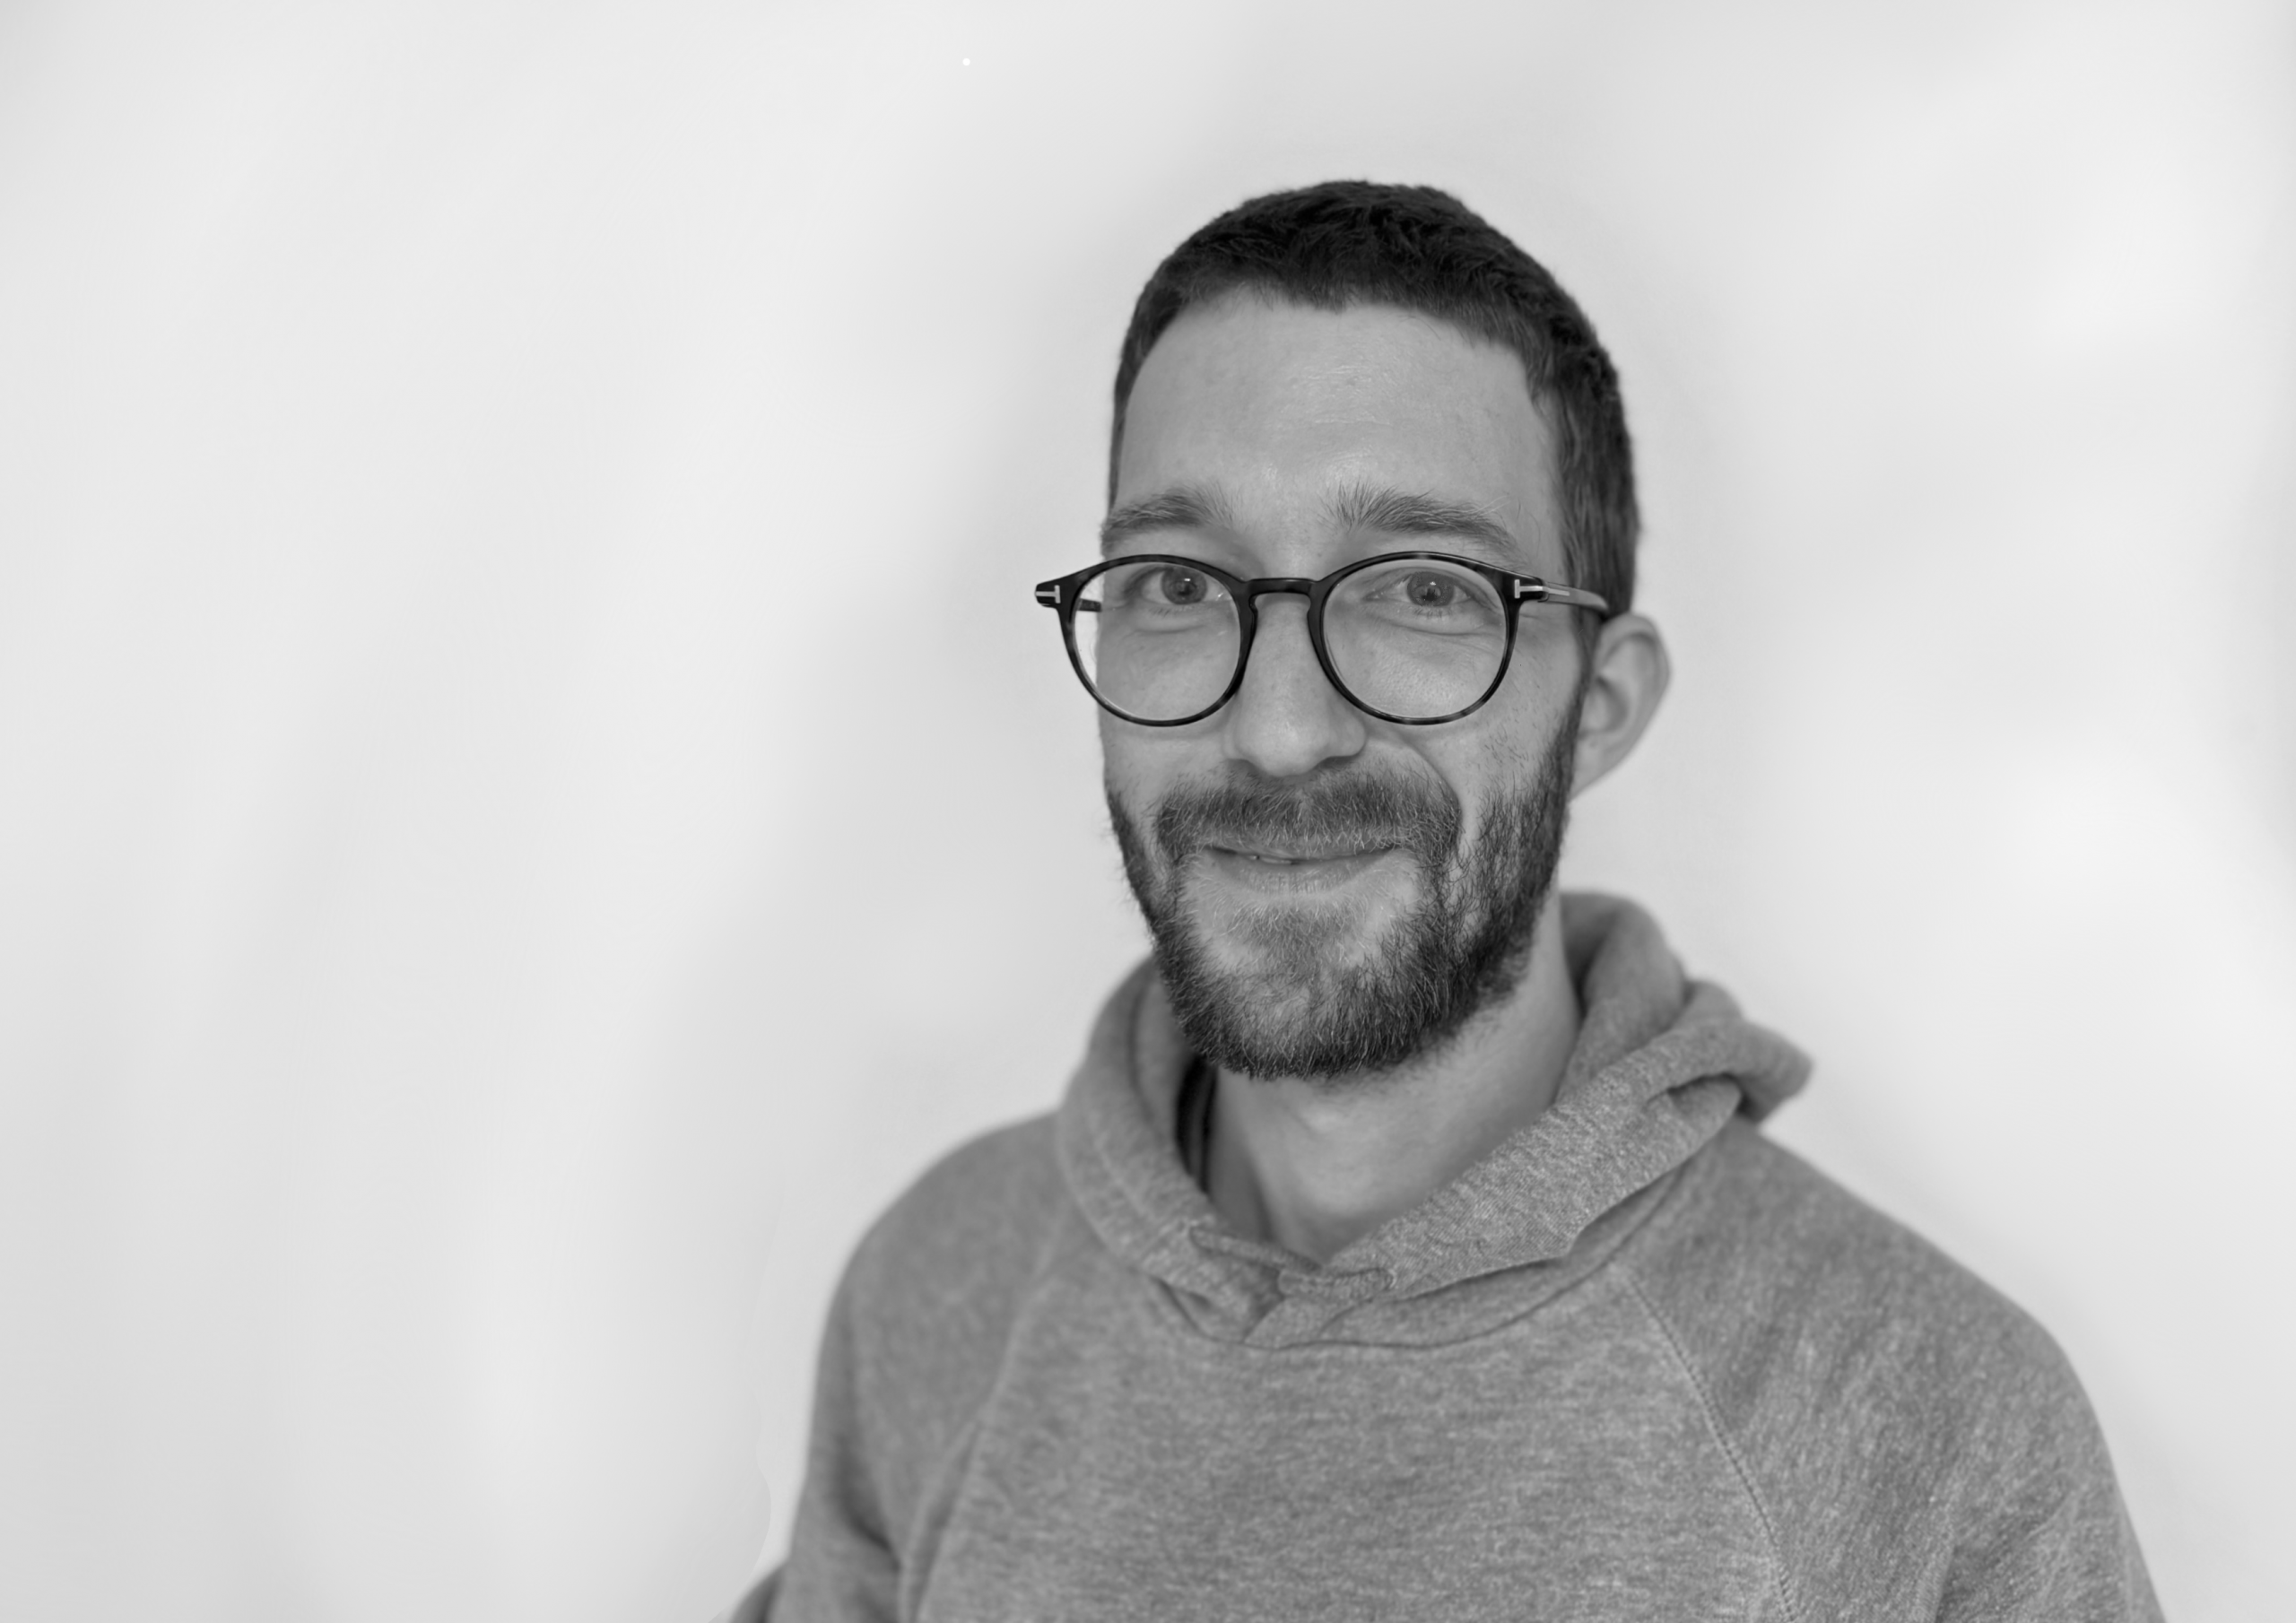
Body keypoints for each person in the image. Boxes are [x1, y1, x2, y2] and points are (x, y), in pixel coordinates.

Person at [732, 181, 2160, 1621]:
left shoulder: (1936, 1436)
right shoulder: (937, 1286)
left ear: (1600, 705)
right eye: (1177, 582)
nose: (1279, 729)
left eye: (1419, 590)